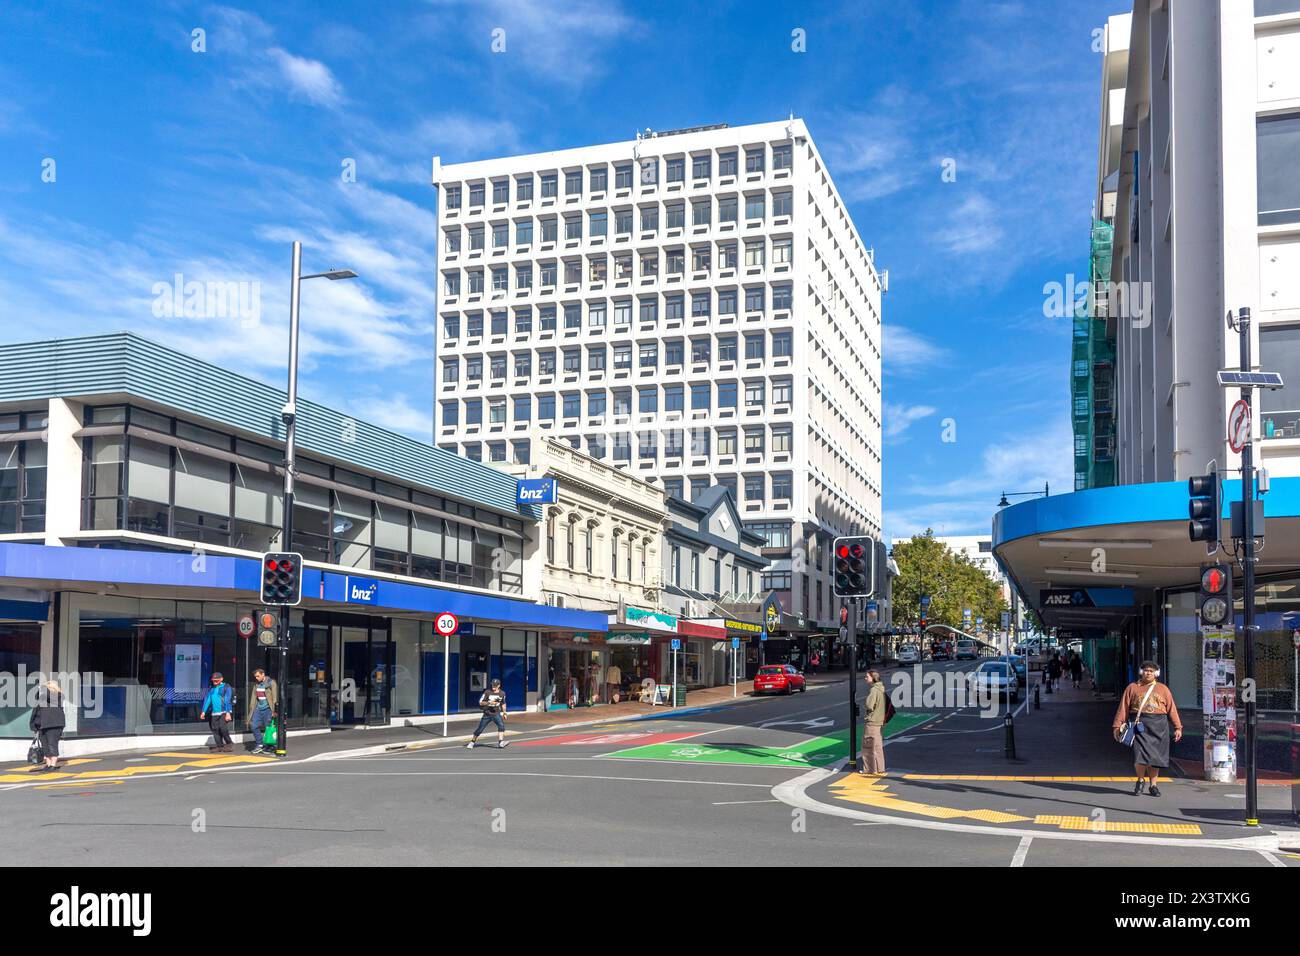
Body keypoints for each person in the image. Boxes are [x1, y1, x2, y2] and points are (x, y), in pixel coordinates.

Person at [1112, 661, 1182, 797]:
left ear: (1156, 673)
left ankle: (1153, 786)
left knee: (1155, 758)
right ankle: (1140, 780)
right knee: (1140, 756)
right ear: (1141, 672)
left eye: (1151, 671)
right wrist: (1117, 725)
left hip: (1159, 726)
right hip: (1140, 725)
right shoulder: (1132, 688)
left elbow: (1171, 709)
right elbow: (1123, 708)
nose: (1148, 672)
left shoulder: (1163, 689)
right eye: (1145, 670)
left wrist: (1178, 727)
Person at [29, 679, 66, 773]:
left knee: (52, 744)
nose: (45, 689)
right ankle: (48, 764)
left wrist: (43, 688)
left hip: (54, 725)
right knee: (45, 745)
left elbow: (49, 695)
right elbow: (36, 708)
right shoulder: (43, 697)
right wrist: (34, 724)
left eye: (48, 687)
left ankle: (53, 765)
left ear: (53, 687)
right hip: (43, 725)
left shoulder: (59, 696)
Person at [467, 678, 509, 749]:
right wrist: (489, 702)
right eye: (492, 685)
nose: (493, 686)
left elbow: (503, 703)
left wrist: (504, 713)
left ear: (499, 685)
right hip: (487, 714)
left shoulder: (502, 693)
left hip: (496, 713)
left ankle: (500, 742)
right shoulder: (487, 692)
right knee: (480, 729)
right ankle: (472, 742)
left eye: (495, 685)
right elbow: (480, 702)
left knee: (501, 726)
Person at [200, 671, 234, 753]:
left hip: (224, 712)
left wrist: (228, 712)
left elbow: (227, 700)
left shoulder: (226, 687)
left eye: (216, 680)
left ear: (221, 679)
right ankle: (219, 746)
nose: (215, 682)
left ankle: (229, 744)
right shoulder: (211, 689)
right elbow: (208, 700)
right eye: (213, 680)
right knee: (215, 729)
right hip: (214, 713)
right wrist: (203, 712)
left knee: (223, 728)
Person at [860, 670, 887, 776]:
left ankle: (870, 769)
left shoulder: (874, 690)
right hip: (879, 720)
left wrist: (865, 705)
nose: (865, 678)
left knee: (868, 746)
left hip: (872, 721)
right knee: (877, 746)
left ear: (873, 678)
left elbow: (869, 705)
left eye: (867, 676)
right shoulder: (881, 688)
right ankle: (880, 767)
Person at [246, 667, 279, 754]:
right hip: (258, 708)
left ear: (263, 674)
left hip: (268, 709)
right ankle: (260, 744)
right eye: (255, 677)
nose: (256, 678)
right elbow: (254, 697)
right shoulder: (256, 684)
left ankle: (269, 746)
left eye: (258, 676)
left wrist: (274, 710)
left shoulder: (271, 683)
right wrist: (251, 708)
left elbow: (275, 697)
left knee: (268, 728)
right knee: (254, 726)